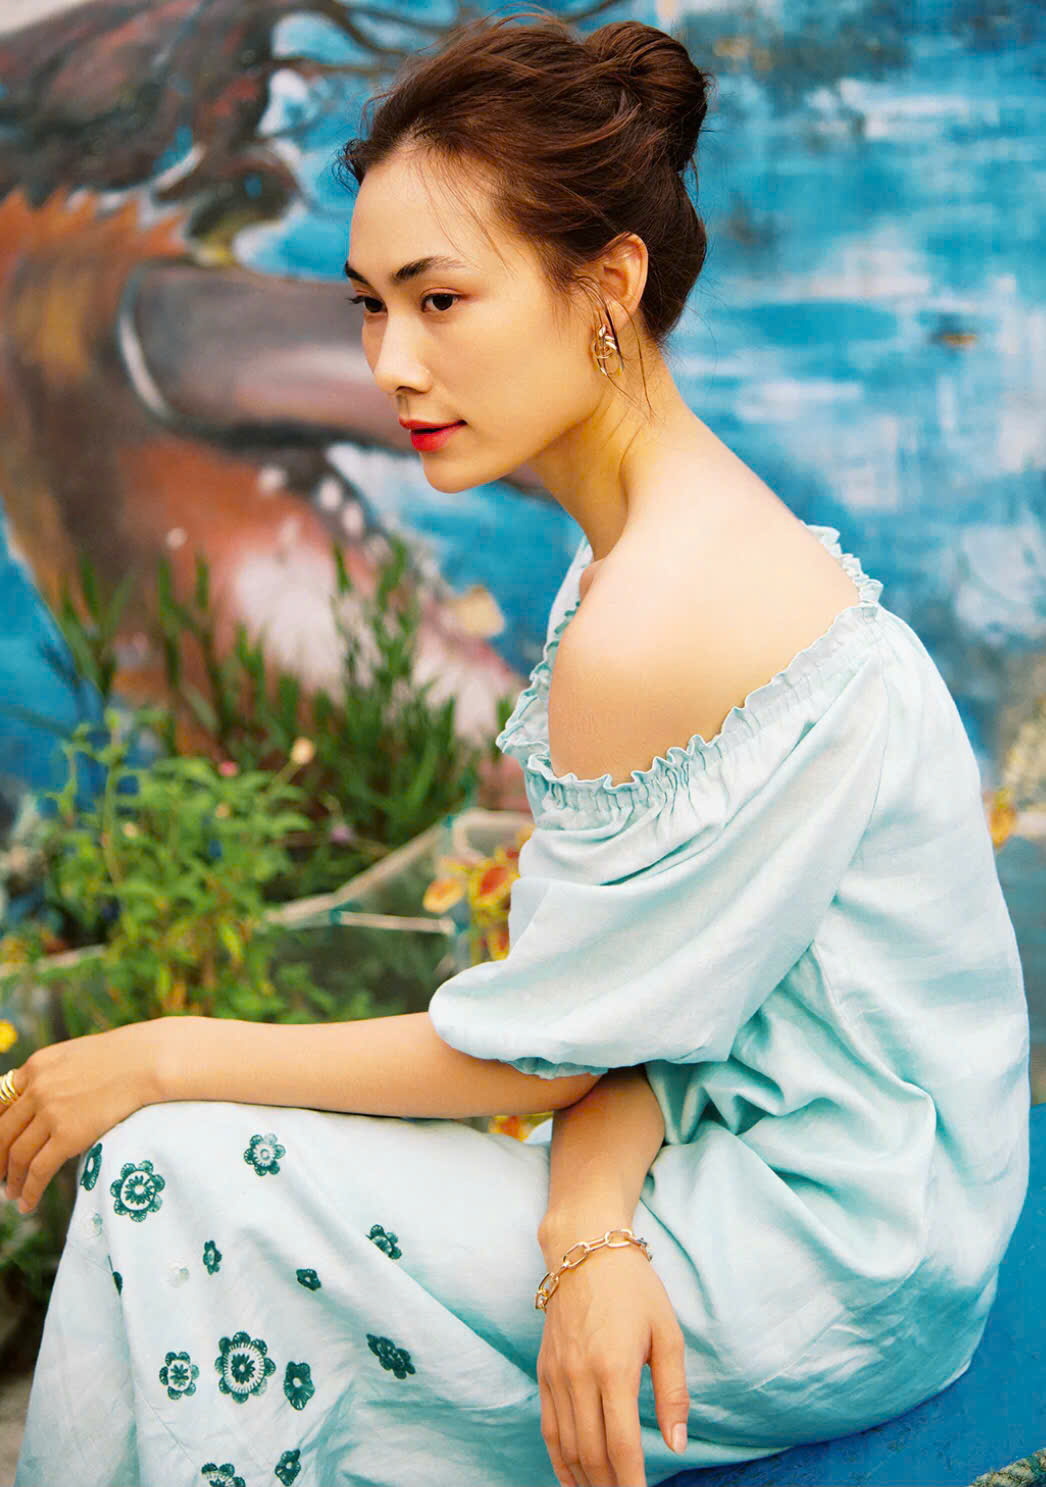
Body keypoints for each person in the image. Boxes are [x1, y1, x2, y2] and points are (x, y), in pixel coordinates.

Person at [2, 9, 1031, 1487]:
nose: (391, 363)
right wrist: (582, 1226)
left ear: (608, 286)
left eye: (441, 300)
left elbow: (537, 1054)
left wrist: (159, 1055)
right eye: (370, 305)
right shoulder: (643, 548)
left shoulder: (658, 613)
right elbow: (635, 1016)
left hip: (821, 1254)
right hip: (809, 1178)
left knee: (174, 1166)